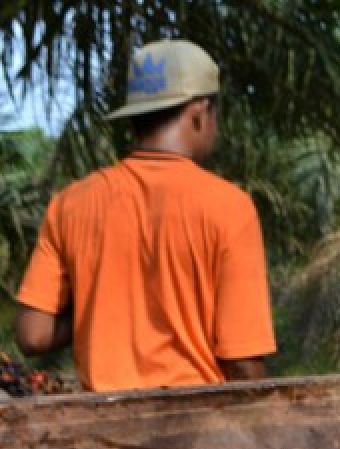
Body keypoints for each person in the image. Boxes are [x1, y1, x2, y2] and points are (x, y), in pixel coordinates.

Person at [14, 39, 276, 391]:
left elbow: (33, 334)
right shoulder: (229, 208)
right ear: (200, 111)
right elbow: (243, 365)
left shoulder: (71, 203)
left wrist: (102, 304)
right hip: (196, 430)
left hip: (98, 431)